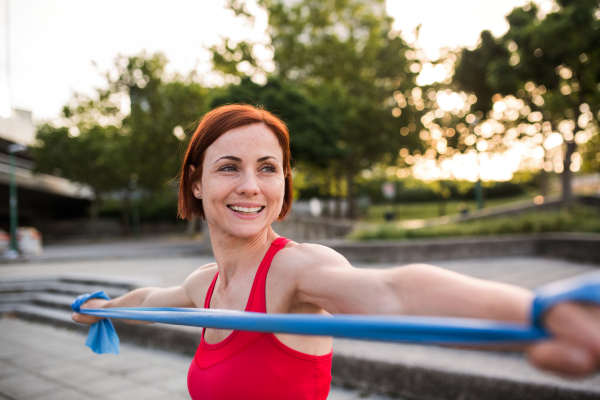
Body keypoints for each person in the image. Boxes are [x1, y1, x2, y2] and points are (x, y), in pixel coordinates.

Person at [73, 104, 600, 400]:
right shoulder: (203, 284)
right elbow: (151, 297)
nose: (251, 186)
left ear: (284, 180)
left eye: (268, 168)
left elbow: (393, 290)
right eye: (229, 167)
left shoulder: (297, 270)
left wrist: (535, 312)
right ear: (194, 183)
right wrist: (105, 310)